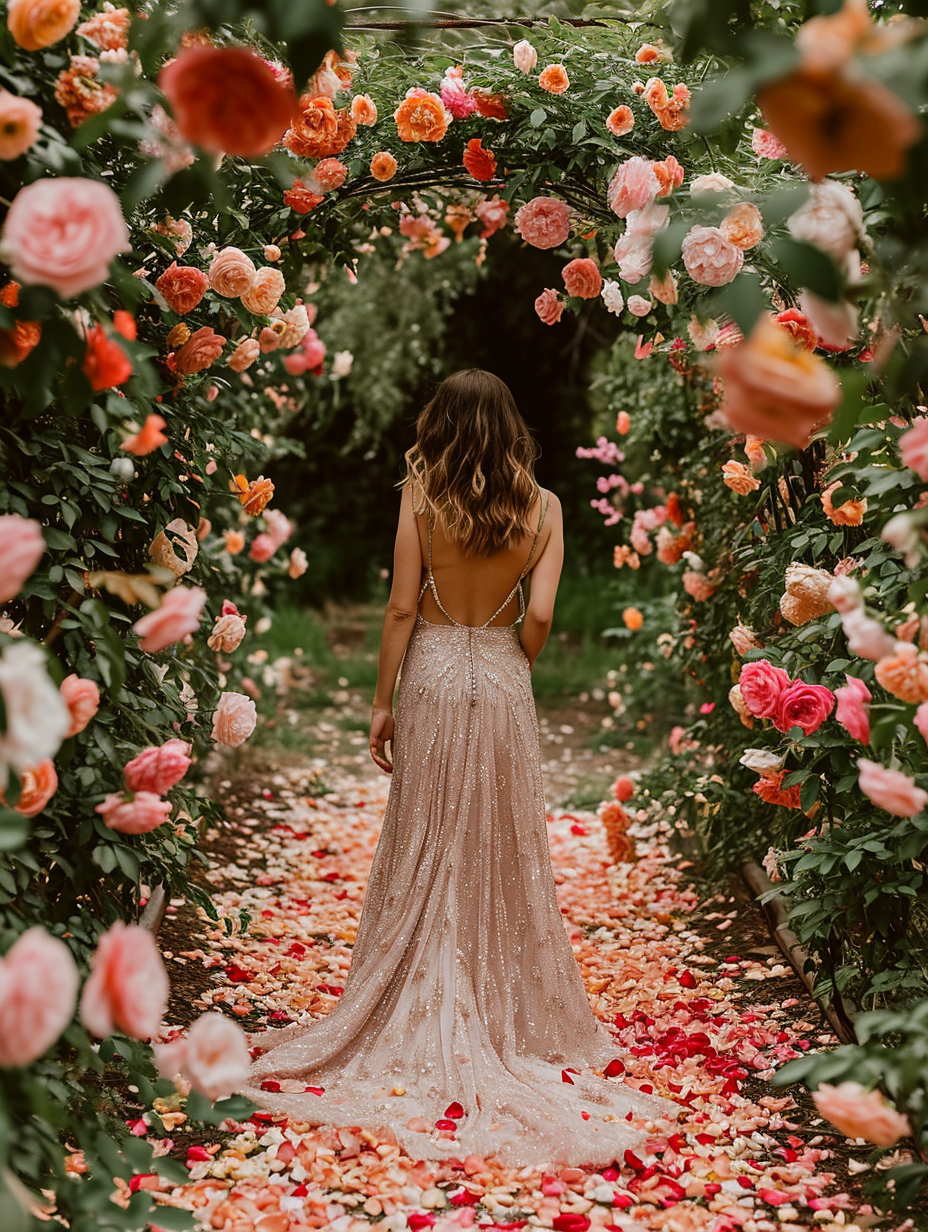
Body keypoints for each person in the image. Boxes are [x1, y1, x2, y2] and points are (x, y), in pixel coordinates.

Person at [242, 370, 677, 1166]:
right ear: (512, 428)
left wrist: (382, 702)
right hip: (504, 676)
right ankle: (497, 997)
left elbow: (403, 606)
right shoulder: (544, 508)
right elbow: (540, 614)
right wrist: (517, 657)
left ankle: (418, 985)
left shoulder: (420, 496)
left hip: (435, 674)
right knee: (497, 838)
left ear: (440, 425)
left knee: (425, 837)